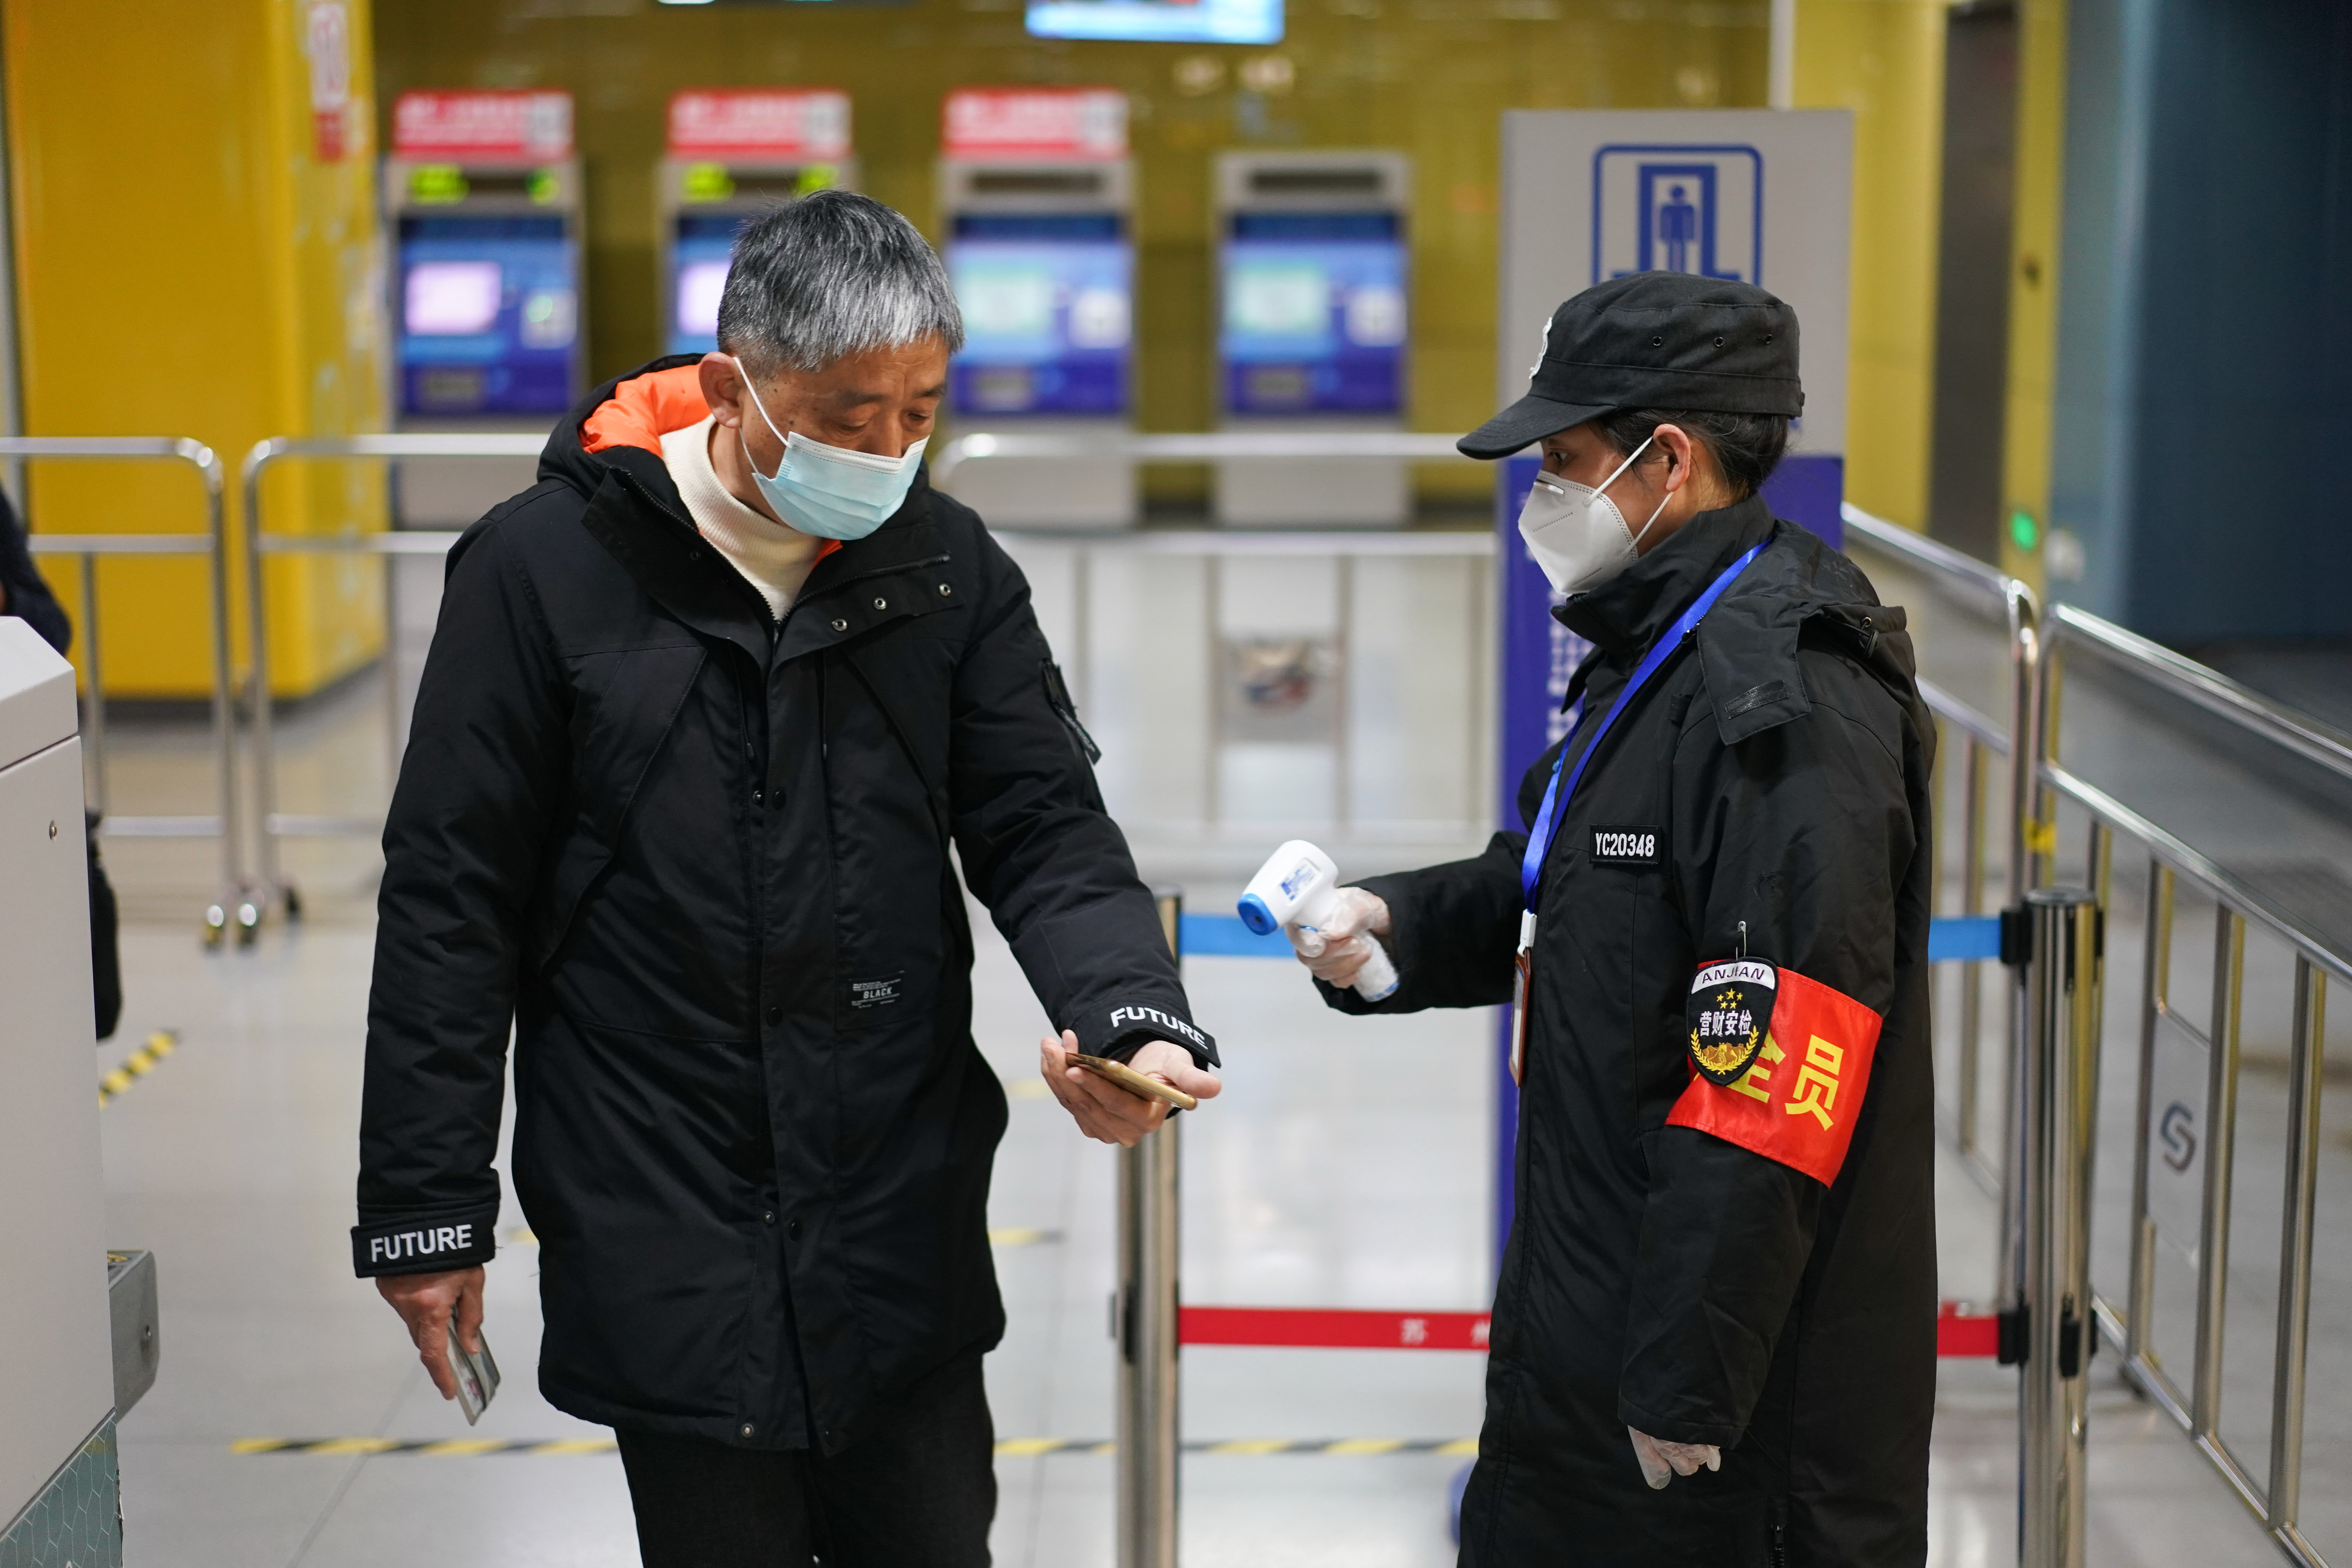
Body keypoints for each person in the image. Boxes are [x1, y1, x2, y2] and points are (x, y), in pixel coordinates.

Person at [354, 191, 1221, 1566]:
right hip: (661, 1188)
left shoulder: (945, 565)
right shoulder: (542, 572)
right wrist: (425, 1206)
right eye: (845, 419)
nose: (887, 454)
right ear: (729, 388)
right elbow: (452, 899)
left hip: (895, 1196)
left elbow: (1042, 821)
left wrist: (1131, 1011)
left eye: (919, 413)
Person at [1292, 271, 1936, 1564]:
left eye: (1566, 461)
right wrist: (1391, 927)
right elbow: (1567, 877)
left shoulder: (1789, 707)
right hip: (1597, 1321)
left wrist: (1690, 1376)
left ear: (1670, 460)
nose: (1544, 493)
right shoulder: (1662, 649)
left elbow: (1777, 1075)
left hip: (1727, 1418)